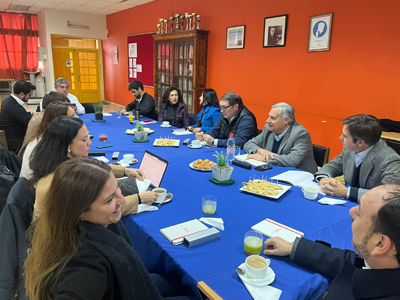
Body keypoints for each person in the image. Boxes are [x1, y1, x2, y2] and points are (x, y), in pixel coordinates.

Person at [24, 157, 197, 300]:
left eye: (118, 190)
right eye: (109, 200)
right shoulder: (86, 264)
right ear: (80, 211)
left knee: (176, 282)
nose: (121, 200)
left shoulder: (61, 226)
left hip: (120, 284)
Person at [263, 185, 400, 300]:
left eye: (360, 213)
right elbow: (352, 261)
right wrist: (294, 248)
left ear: (380, 244)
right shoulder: (384, 263)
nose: (351, 211)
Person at [29, 116, 158, 221]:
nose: (89, 143)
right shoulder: (65, 179)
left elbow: (94, 168)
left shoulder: (56, 163)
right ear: (68, 146)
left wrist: (125, 171)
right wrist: (140, 198)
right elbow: (101, 212)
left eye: (89, 137)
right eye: (84, 140)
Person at [315, 114, 400, 202]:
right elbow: (333, 166)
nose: (340, 138)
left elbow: (388, 195)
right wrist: (324, 179)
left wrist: (347, 192)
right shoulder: (350, 149)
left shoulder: (391, 160)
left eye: (345, 136)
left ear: (360, 143)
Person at [244, 103, 317, 173]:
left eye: (273, 118)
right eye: (269, 116)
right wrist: (259, 150)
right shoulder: (269, 129)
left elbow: (293, 160)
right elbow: (249, 144)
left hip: (300, 176)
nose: (267, 120)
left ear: (286, 120)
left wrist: (266, 158)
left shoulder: (300, 133)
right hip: (275, 170)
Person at [20, 101, 75, 179]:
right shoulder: (46, 144)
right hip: (35, 188)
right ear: (60, 121)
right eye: (72, 116)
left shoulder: (46, 136)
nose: (76, 118)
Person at [19, 91, 70, 156]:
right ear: (55, 108)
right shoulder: (46, 120)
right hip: (34, 158)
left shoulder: (39, 115)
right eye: (65, 107)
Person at [0, 80, 35, 153]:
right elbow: (30, 121)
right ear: (22, 94)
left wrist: (31, 113)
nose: (30, 97)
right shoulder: (14, 107)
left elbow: (21, 115)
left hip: (11, 135)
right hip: (16, 141)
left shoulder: (8, 100)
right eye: (29, 95)